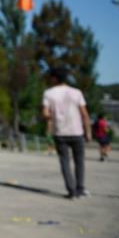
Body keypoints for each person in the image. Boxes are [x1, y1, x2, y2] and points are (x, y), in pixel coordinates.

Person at [42, 67, 91, 199]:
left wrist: (50, 117)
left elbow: (45, 113)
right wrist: (88, 132)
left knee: (64, 162)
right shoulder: (76, 92)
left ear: (54, 78)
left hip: (60, 133)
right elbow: (84, 114)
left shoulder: (49, 93)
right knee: (79, 161)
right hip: (77, 132)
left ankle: (72, 191)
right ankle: (80, 188)